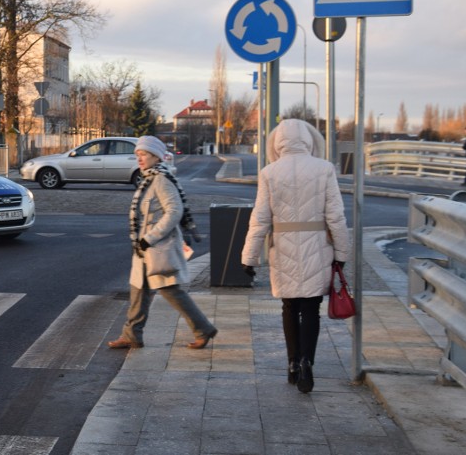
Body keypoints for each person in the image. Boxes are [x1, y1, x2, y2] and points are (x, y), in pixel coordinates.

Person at [240, 119, 351, 393]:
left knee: (289, 307)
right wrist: (342, 252)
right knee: (312, 308)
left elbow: (260, 218)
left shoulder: (269, 172)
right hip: (317, 246)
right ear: (309, 140)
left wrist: (249, 257)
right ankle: (307, 361)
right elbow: (336, 216)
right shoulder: (325, 169)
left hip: (284, 246)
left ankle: (291, 362)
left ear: (277, 142)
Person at [108, 135, 218, 350]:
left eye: (143, 155)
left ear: (155, 156)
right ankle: (132, 335)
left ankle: (203, 329)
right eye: (137, 155)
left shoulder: (161, 180)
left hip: (158, 247)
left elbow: (174, 211)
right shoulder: (149, 178)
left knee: (171, 291)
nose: (139, 159)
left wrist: (150, 238)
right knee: (138, 290)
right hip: (146, 248)